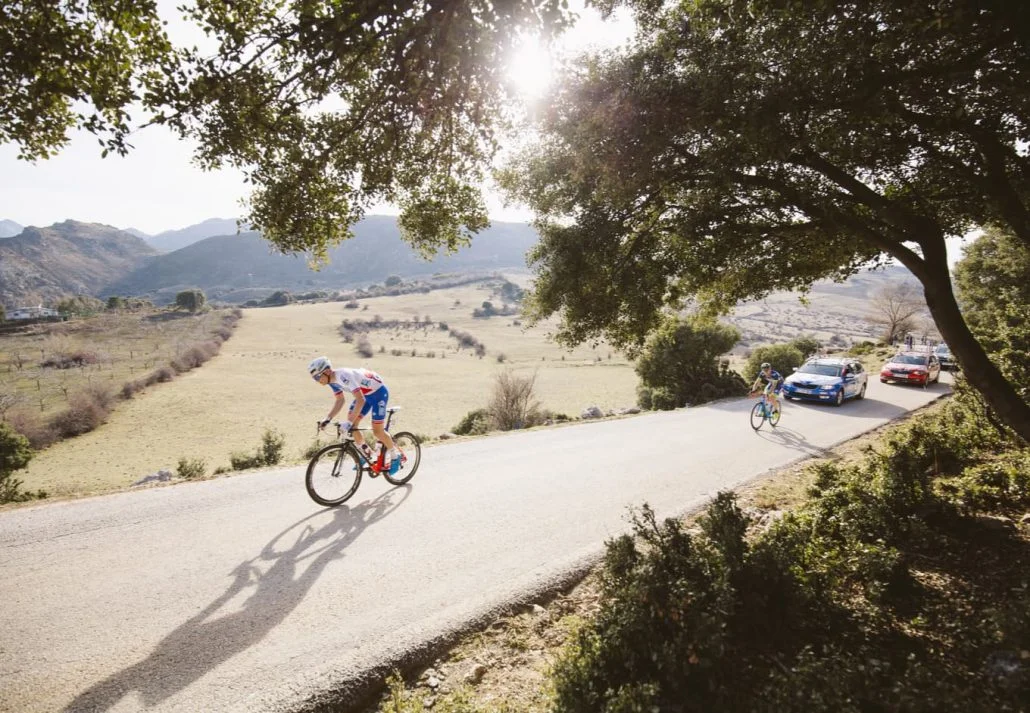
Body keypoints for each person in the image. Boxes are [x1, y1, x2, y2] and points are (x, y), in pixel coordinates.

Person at [308, 356, 404, 474]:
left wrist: (348, 423)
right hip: (364, 395)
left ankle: (395, 455)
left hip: (378, 393)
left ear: (327, 371)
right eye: (314, 378)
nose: (317, 381)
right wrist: (328, 419)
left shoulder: (343, 376)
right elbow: (340, 400)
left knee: (377, 431)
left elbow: (360, 400)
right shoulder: (331, 381)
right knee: (353, 427)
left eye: (317, 377)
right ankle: (367, 454)